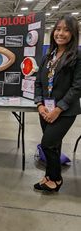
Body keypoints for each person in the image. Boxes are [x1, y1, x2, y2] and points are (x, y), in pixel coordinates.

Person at [34, 14, 81, 192]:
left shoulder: (77, 55)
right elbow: (38, 83)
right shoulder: (48, 57)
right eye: (58, 29)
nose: (61, 33)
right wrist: (40, 105)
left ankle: (56, 179)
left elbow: (77, 87)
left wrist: (59, 109)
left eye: (66, 30)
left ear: (73, 33)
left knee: (47, 144)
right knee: (54, 145)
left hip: (65, 111)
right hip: (46, 109)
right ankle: (48, 175)